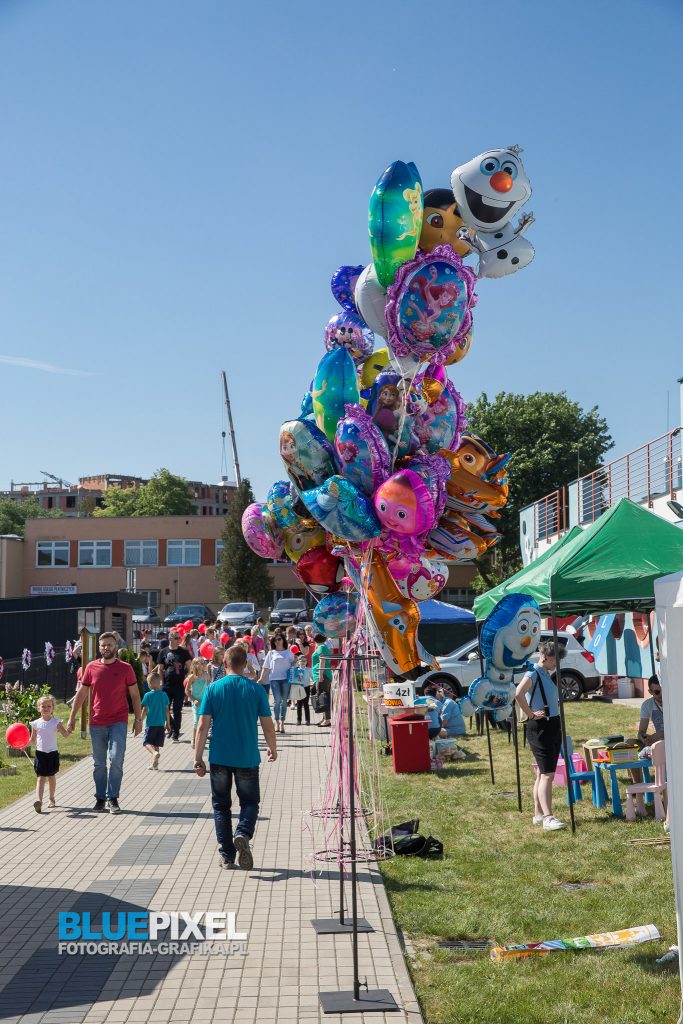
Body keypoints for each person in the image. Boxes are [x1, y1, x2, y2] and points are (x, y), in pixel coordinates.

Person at [194, 645, 277, 870]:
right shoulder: (256, 689)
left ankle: (228, 855)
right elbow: (268, 725)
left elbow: (202, 726)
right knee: (250, 802)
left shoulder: (213, 689)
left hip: (219, 756)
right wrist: (273, 748)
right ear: (245, 664)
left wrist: (198, 757)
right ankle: (243, 832)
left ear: (224, 663)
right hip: (247, 756)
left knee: (221, 806)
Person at [66, 631, 142, 814]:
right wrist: (72, 717)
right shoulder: (91, 667)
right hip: (97, 721)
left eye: (109, 644)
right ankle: (100, 798)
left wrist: (138, 719)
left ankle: (113, 798)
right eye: (103, 645)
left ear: (116, 646)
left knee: (116, 759)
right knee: (99, 763)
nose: (106, 648)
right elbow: (81, 694)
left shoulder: (125, 668)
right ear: (99, 648)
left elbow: (135, 695)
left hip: (118, 721)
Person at [515, 642, 567, 831]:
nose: (556, 664)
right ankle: (548, 817)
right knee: (547, 775)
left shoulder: (544, 673)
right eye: (555, 660)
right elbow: (518, 694)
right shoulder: (533, 673)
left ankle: (538, 814)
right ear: (544, 656)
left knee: (542, 773)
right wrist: (530, 714)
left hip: (552, 724)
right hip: (541, 727)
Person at [30, 694, 69, 813]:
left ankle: (51, 798)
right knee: (41, 777)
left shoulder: (56, 722)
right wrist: (23, 745)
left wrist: (69, 729)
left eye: (49, 706)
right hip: (40, 754)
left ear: (53, 708)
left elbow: (65, 734)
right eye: (43, 706)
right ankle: (38, 801)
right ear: (38, 708)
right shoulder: (35, 723)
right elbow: (32, 740)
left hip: (52, 753)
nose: (46, 708)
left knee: (51, 777)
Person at [156, 629, 192, 742]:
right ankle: (171, 726)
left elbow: (190, 667)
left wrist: (188, 679)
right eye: (176, 638)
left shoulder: (184, 651)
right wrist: (160, 683)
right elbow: (160, 669)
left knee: (177, 710)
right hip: (166, 685)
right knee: (163, 708)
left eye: (179, 638)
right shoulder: (163, 652)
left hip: (179, 686)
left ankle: (176, 733)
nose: (178, 640)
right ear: (170, 638)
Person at [258, 635, 295, 733]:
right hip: (274, 679)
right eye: (275, 640)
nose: (277, 641)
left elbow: (294, 664)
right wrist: (261, 678)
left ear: (283, 640)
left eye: (279, 639)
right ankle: (276, 722)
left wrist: (296, 662)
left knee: (284, 701)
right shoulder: (271, 653)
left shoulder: (288, 652)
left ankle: (282, 723)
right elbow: (266, 667)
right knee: (277, 700)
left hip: (286, 679)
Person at [141, 667, 171, 770]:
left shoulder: (147, 695)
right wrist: (168, 723)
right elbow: (167, 710)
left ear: (149, 684)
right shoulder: (164, 695)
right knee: (156, 743)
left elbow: (145, 709)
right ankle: (155, 764)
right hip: (161, 724)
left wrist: (140, 720)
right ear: (160, 683)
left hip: (151, 724)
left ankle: (154, 753)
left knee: (147, 742)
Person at [184, 657, 210, 749]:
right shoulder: (192, 677)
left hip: (205, 702)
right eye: (201, 663)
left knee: (204, 722)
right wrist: (193, 699)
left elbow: (209, 688)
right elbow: (187, 691)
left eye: (204, 662)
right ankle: (194, 739)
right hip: (196, 702)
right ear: (195, 665)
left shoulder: (206, 675)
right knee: (196, 721)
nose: (204, 664)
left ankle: (202, 739)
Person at [311, 633, 332, 727]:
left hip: (323, 675)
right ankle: (325, 718)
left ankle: (327, 720)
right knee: (320, 695)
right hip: (321, 675)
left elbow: (322, 660)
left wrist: (320, 675)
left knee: (324, 697)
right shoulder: (322, 647)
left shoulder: (322, 647)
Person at [638, 675, 664, 746]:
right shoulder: (647, 705)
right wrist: (644, 738)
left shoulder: (675, 702)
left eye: (664, 690)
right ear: (650, 692)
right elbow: (641, 731)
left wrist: (661, 734)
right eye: (657, 692)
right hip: (660, 742)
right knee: (630, 742)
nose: (661, 694)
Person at [289, 653, 312, 725]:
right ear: (298, 662)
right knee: (299, 704)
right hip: (298, 688)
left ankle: (307, 720)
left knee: (306, 704)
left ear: (306, 662)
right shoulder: (296, 670)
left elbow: (313, 677)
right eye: (301, 661)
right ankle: (299, 720)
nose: (303, 662)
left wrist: (315, 682)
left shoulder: (309, 670)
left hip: (306, 687)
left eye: (304, 661)